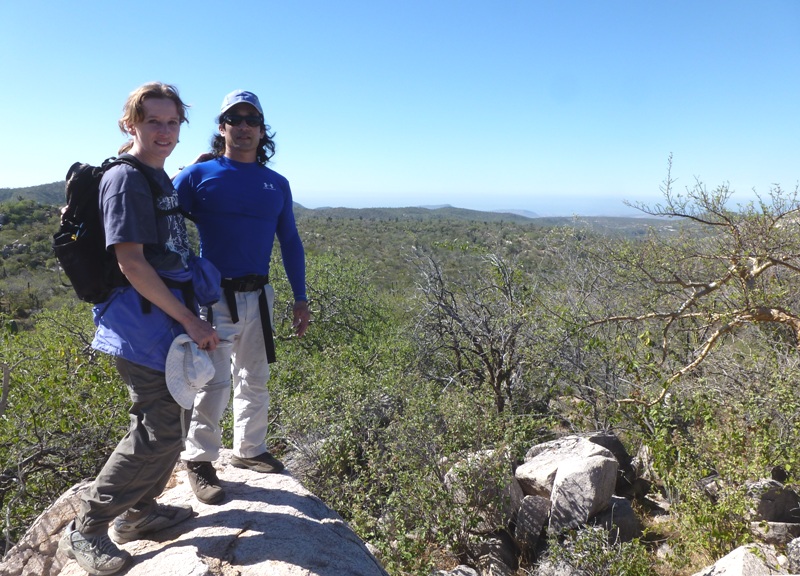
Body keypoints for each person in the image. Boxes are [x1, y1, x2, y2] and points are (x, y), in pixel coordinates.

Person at [59, 82, 220, 576]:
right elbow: (131, 263)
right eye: (154, 122)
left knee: (168, 428)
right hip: (140, 324)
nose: (165, 132)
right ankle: (86, 527)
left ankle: (141, 512)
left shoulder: (156, 174)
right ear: (131, 124)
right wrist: (189, 319)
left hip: (159, 321)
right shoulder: (127, 180)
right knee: (158, 429)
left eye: (172, 122)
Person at [174, 89, 310, 505]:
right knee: (212, 380)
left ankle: (249, 450)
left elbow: (290, 241)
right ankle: (199, 460)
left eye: (252, 119)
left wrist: (300, 297)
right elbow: (159, 211)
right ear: (222, 128)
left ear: (262, 129)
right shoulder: (199, 176)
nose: (245, 126)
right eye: (236, 119)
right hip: (214, 296)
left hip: (260, 293)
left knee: (255, 376)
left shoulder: (276, 184)